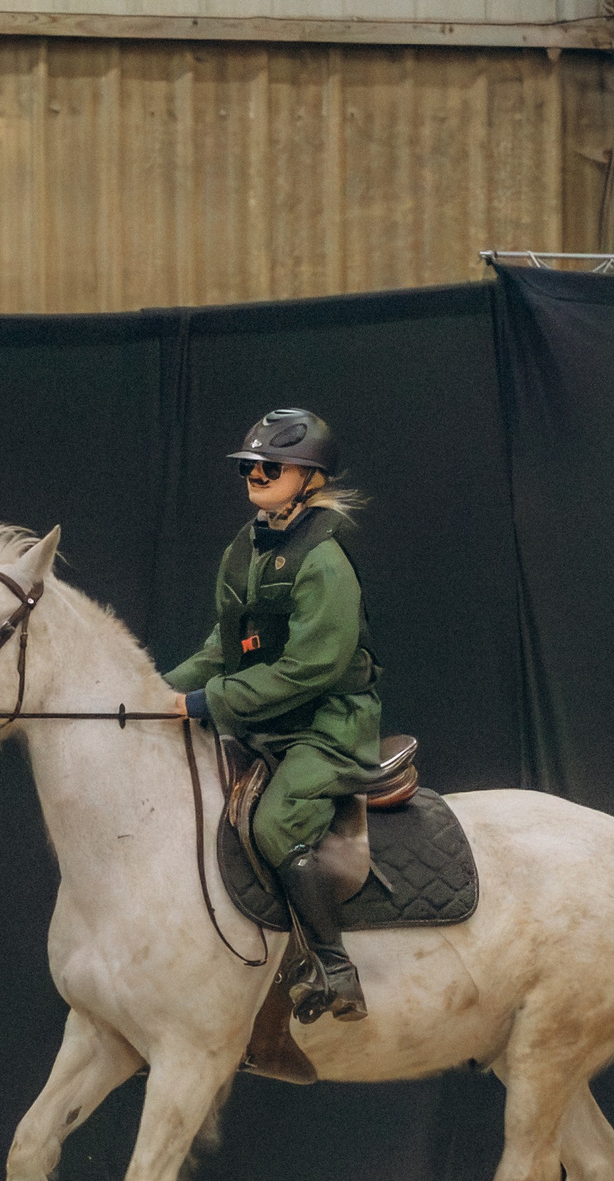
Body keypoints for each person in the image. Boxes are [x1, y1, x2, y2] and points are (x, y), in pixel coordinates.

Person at [164, 408, 382, 1023]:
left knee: (276, 824)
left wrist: (210, 703)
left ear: (310, 478)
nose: (254, 474)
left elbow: (312, 666)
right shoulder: (246, 548)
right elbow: (222, 648)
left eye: (270, 466)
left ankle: (336, 969)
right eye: (248, 466)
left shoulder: (324, 559)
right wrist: (154, 692)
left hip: (330, 722)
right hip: (269, 721)